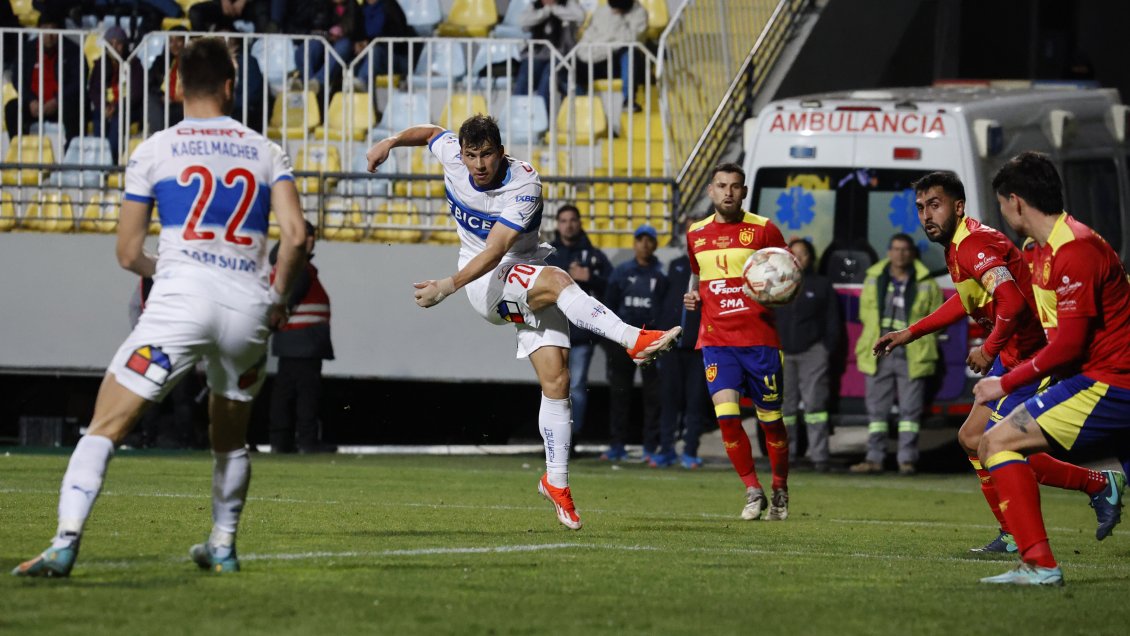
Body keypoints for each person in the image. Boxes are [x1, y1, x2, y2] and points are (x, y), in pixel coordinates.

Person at [12, 37, 308, 578]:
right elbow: (295, 235)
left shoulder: (155, 149)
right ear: (229, 87)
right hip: (247, 310)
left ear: (176, 86)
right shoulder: (266, 150)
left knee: (105, 426)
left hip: (180, 304)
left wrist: (169, 267)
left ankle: (65, 542)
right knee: (230, 439)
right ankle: (222, 545)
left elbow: (128, 253)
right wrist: (278, 300)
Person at [364, 115, 681, 530]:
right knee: (559, 280)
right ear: (461, 153)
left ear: (501, 151)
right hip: (483, 284)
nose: (479, 164)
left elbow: (498, 248)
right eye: (471, 155)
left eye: (487, 154)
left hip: (518, 272)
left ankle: (556, 482)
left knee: (558, 380)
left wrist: (445, 286)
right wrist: (389, 142)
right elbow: (429, 133)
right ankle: (632, 338)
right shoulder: (453, 156)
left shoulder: (524, 184)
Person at [874, 170, 1118, 554]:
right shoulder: (958, 244)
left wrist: (988, 348)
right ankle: (1015, 531)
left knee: (995, 445)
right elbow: (968, 299)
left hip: (1033, 354)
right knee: (972, 439)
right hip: (1012, 353)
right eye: (920, 208)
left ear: (958, 206)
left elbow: (1012, 301)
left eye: (934, 205)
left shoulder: (973, 243)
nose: (926, 216)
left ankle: (1092, 488)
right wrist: (911, 332)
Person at [970, 152, 1129, 586]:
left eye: (1001, 203)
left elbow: (1070, 344)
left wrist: (1004, 382)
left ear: (1016, 202)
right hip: (1095, 377)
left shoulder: (1075, 250)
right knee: (995, 442)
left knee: (996, 442)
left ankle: (1040, 565)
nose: (1002, 212)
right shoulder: (1040, 251)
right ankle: (1097, 490)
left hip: (1112, 382)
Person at [683, 162, 791, 521]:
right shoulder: (696, 233)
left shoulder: (764, 229)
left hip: (760, 340)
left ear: (744, 191)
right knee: (728, 418)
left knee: (770, 422)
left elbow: (789, 274)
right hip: (717, 340)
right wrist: (693, 296)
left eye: (734, 186)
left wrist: (778, 292)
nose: (728, 192)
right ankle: (752, 489)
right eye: (721, 185)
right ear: (710, 191)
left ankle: (779, 486)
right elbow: (697, 274)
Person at [850, 233, 941, 476]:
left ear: (912, 254)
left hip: (912, 350)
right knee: (877, 412)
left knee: (910, 412)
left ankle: (906, 461)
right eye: (896, 249)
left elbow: (937, 319)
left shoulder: (925, 282)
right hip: (880, 350)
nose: (900, 254)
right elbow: (865, 314)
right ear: (889, 252)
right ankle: (874, 459)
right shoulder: (874, 278)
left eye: (905, 250)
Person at [269, 221, 336, 454]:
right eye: (307, 235)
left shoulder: (284, 265)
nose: (311, 240)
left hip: (293, 340)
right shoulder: (297, 266)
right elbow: (290, 296)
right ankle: (307, 441)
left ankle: (280, 441)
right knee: (307, 394)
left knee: (285, 393)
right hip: (304, 341)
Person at [544, 204, 612, 435]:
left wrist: (590, 277)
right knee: (552, 387)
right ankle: (554, 438)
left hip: (581, 334)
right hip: (553, 332)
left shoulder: (593, 255)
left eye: (572, 220)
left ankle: (571, 438)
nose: (568, 225)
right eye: (564, 221)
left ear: (580, 223)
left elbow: (612, 287)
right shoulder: (548, 255)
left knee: (576, 386)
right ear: (557, 224)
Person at [602, 224, 667, 462]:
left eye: (649, 240)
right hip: (623, 342)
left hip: (651, 343)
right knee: (620, 394)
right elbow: (609, 306)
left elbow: (665, 309)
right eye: (641, 240)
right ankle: (617, 445)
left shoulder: (662, 274)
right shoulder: (621, 272)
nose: (645, 244)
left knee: (653, 396)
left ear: (655, 244)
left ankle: (650, 446)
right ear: (634, 243)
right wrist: (612, 340)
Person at [775, 238, 839, 472]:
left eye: (803, 253)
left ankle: (820, 457)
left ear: (811, 258)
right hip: (782, 352)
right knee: (786, 409)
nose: (798, 257)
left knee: (815, 407)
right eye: (793, 253)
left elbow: (833, 321)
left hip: (813, 353)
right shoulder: (775, 283)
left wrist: (826, 349)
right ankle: (786, 456)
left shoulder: (821, 285)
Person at [653, 250, 711, 469]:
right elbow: (659, 301)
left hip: (700, 349)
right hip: (671, 348)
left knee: (695, 402)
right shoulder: (674, 265)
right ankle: (666, 449)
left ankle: (690, 451)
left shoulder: (711, 266)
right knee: (669, 400)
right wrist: (661, 337)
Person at [3, 13, 83, 144]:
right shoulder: (27, 50)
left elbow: (77, 82)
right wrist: (30, 100)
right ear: (39, 29)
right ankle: (19, 149)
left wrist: (57, 100)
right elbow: (18, 78)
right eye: (45, 29)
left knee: (74, 107)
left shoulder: (73, 51)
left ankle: (72, 151)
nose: (49, 35)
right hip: (34, 105)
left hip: (61, 105)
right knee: (12, 107)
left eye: (53, 30)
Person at [574, 0, 648, 112]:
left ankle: (628, 100)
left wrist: (617, 20)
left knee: (629, 51)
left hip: (615, 63)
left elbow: (631, 38)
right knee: (567, 65)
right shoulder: (601, 11)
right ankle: (581, 102)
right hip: (596, 58)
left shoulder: (639, 13)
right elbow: (588, 37)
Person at [88, 26, 144, 163]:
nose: (114, 47)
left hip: (127, 108)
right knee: (98, 119)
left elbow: (136, 93)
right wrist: (104, 106)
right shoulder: (100, 63)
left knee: (118, 121)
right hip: (106, 107)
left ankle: (111, 161)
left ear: (125, 45)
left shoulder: (134, 64)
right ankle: (99, 160)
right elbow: (94, 89)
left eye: (118, 43)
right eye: (111, 43)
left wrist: (117, 107)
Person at [514, 0, 585, 108]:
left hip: (561, 54)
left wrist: (555, 8)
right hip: (537, 54)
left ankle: (542, 115)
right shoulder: (535, 5)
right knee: (525, 75)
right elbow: (522, 22)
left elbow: (580, 17)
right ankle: (517, 112)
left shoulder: (568, 3)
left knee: (548, 77)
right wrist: (546, 11)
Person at [351, 0, 416, 90]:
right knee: (354, 56)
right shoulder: (362, 9)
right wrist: (359, 43)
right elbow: (358, 34)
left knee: (375, 50)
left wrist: (370, 43)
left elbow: (398, 37)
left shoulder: (390, 6)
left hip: (397, 56)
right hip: (372, 56)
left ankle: (363, 80)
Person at [145, 27, 187, 135]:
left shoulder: (196, 62)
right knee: (151, 98)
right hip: (164, 104)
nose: (174, 45)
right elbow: (150, 84)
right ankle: (158, 137)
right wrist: (162, 95)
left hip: (186, 104)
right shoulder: (160, 61)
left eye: (178, 40)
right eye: (171, 41)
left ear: (186, 41)